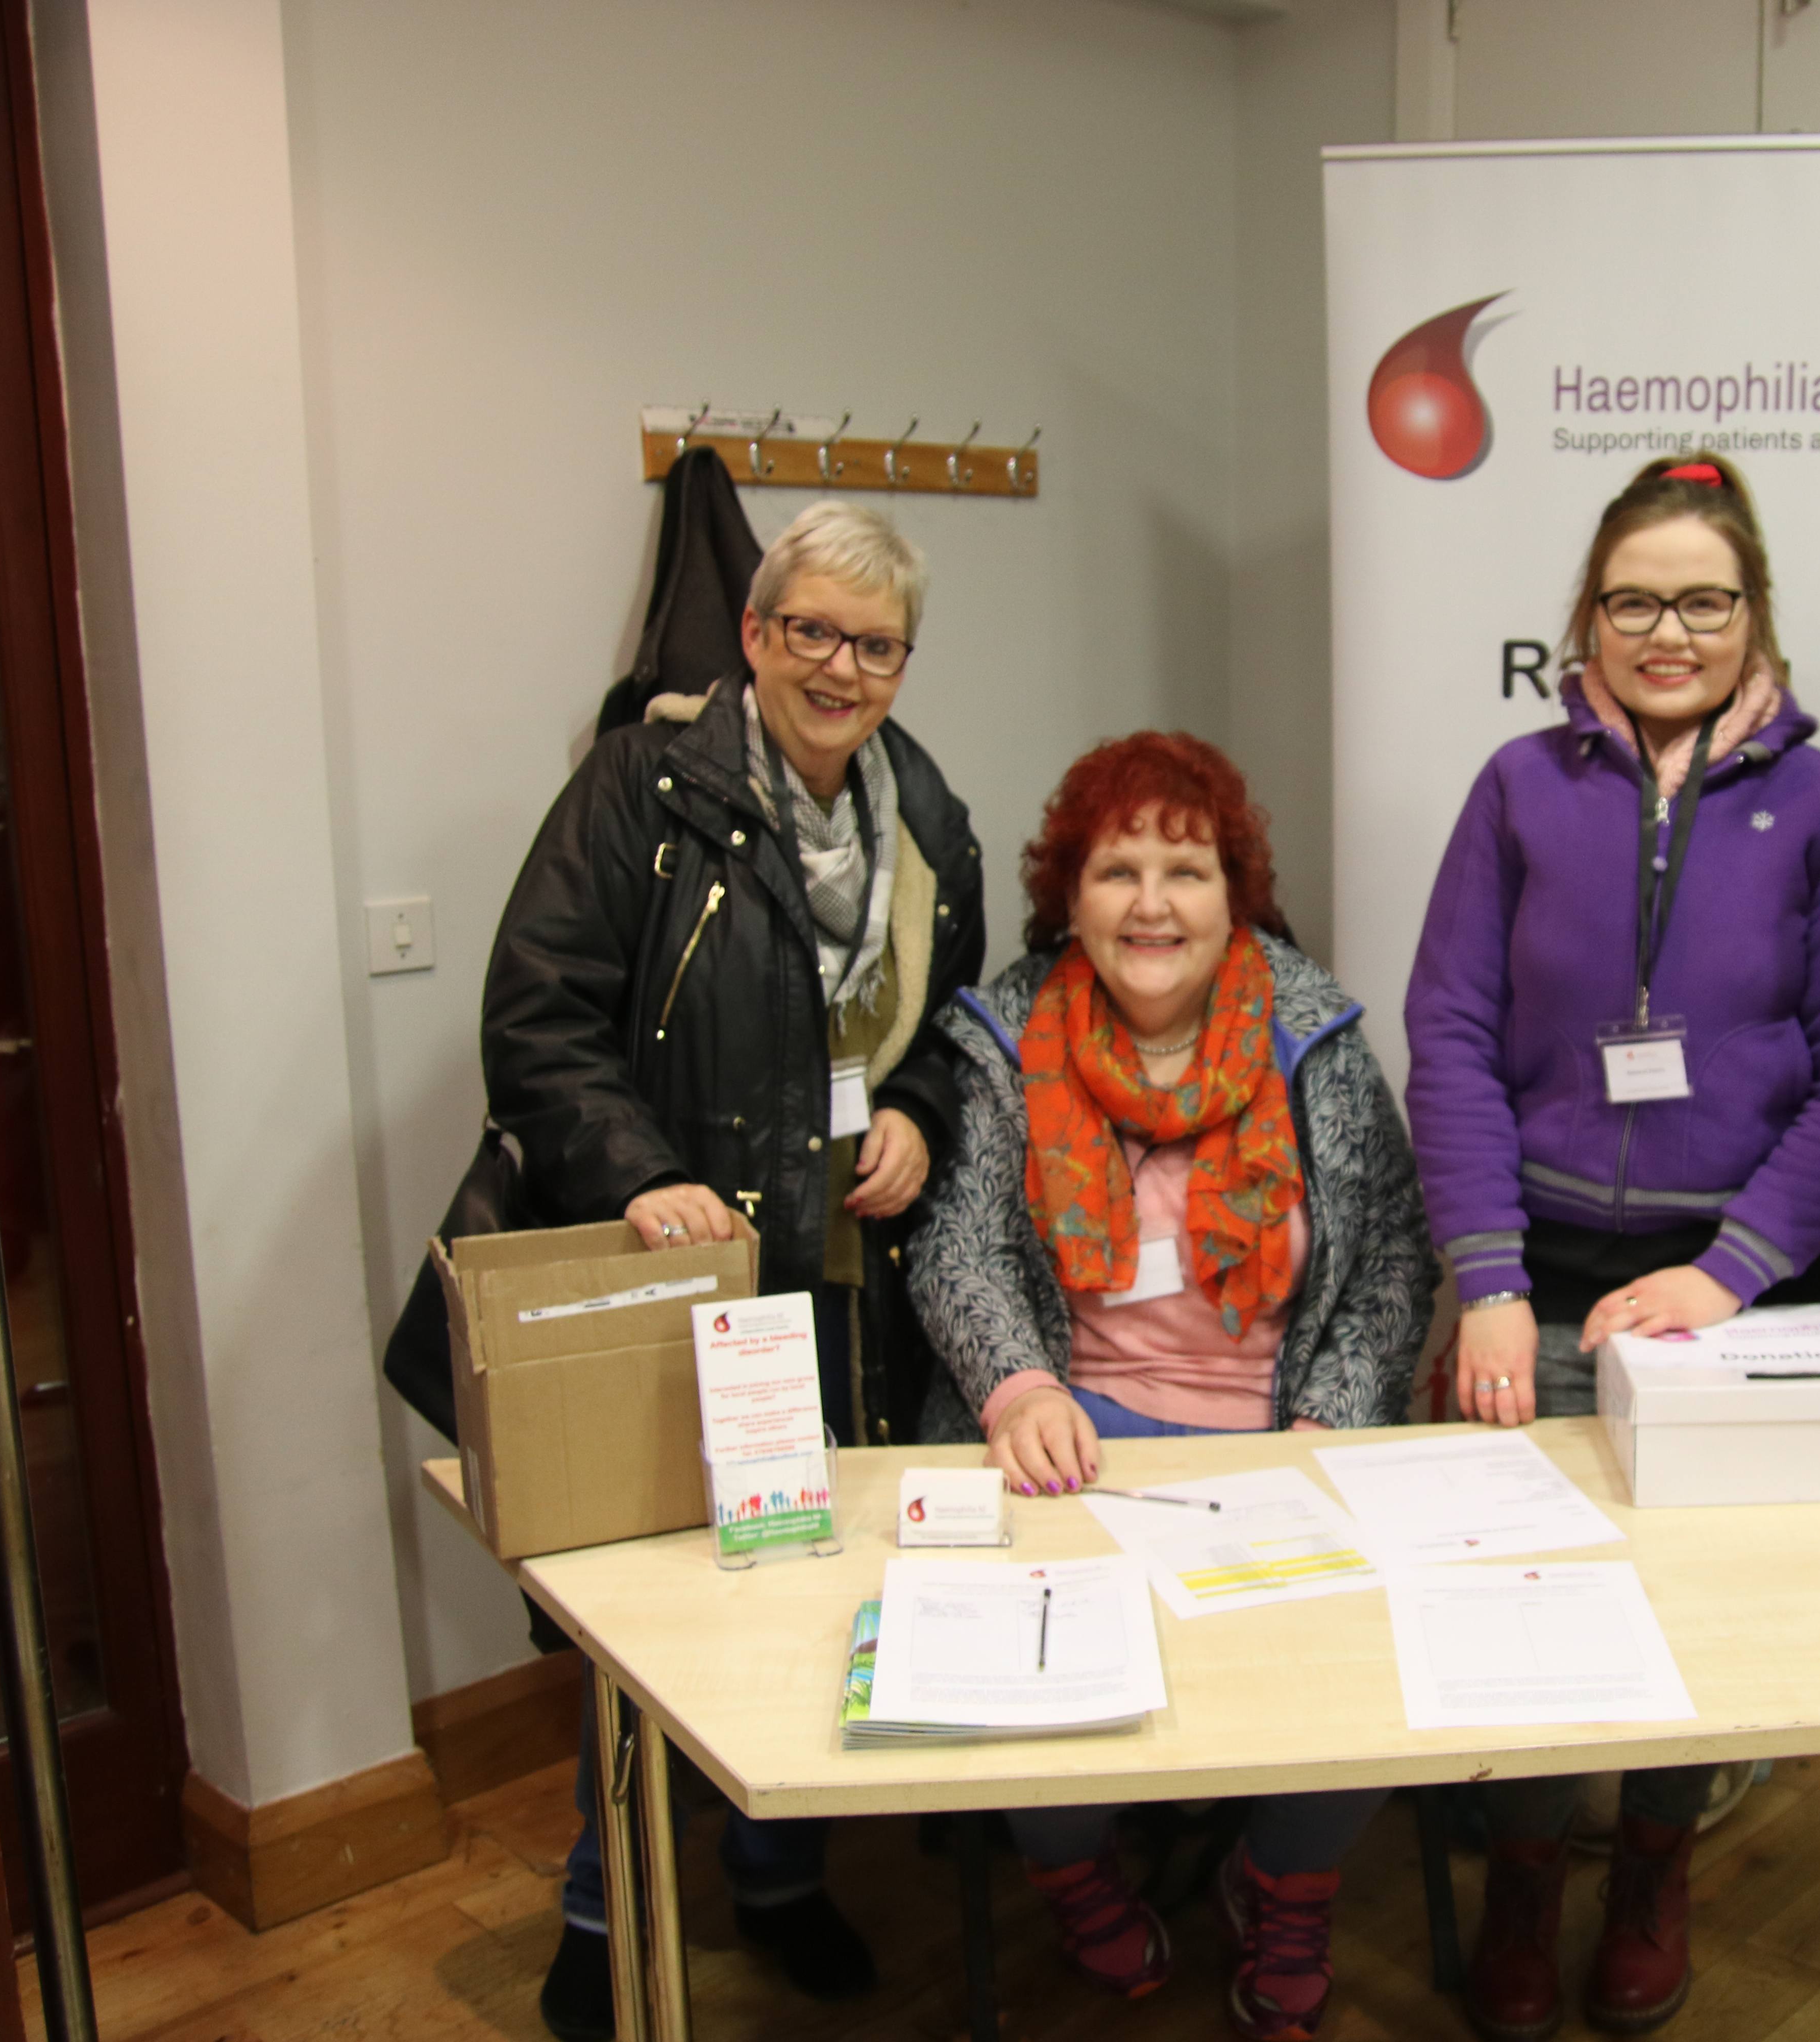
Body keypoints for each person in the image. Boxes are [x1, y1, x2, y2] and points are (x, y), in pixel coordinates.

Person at [482, 500, 984, 2040]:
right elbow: (537, 1011)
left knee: (816, 1576)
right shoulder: (646, 787)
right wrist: (641, 1179)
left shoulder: (928, 812)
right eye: (812, 632)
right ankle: (602, 1901)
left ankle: (779, 1878)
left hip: (853, 1282)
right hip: (693, 1272)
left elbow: (959, 1020)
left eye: (876, 644)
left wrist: (916, 1110)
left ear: (905, 664)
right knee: (655, 1602)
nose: (842, 667)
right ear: (756, 636)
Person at [1405, 453, 1820, 2040]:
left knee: (1684, 1598)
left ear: (1755, 617)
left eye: (1703, 600)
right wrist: (1489, 1276)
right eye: (1635, 600)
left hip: (1738, 1277)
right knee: (1524, 1584)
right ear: (1585, 624)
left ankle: (1654, 1864)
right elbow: (1451, 1031)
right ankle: (1525, 1871)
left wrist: (1728, 1271)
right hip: (1541, 1263)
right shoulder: (1520, 787)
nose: (1669, 630)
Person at [909, 732, 1437, 2041]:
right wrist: (1019, 1384)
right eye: (1118, 869)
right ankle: (1070, 1863)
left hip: (1278, 1437)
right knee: (1014, 1666)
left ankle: (1284, 1877)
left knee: (1388, 1662)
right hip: (1071, 1440)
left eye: (1187, 870)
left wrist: (1334, 1423)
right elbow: (959, 1239)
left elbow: (1389, 1259)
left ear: (1234, 893)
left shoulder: (1316, 1037)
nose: (1153, 903)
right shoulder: (1000, 1038)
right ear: (1069, 897)